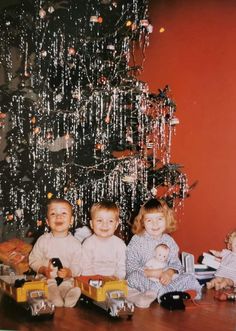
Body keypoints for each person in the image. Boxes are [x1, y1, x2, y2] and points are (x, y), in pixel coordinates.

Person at [126, 198, 202, 308]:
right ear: (142, 222)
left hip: (166, 279)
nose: (155, 224)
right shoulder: (137, 240)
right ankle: (164, 293)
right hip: (145, 278)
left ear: (166, 219)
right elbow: (131, 267)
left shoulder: (168, 240)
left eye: (159, 219)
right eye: (149, 220)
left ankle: (163, 292)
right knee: (133, 278)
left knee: (189, 277)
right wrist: (152, 273)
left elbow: (176, 264)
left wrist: (169, 273)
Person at [29, 198, 82, 307]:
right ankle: (54, 297)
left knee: (68, 284)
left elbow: (79, 265)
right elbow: (33, 259)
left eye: (63, 213)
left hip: (66, 279)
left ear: (71, 220)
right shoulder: (43, 240)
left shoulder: (75, 244)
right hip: (46, 278)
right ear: (48, 221)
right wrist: (42, 269)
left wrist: (69, 271)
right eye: (53, 213)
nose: (59, 216)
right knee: (49, 285)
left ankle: (68, 295)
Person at [81, 200, 126, 279]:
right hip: (92, 280)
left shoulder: (120, 244)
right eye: (99, 220)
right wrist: (95, 279)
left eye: (110, 221)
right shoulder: (88, 243)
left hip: (114, 281)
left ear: (116, 225)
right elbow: (85, 267)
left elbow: (123, 266)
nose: (105, 224)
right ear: (91, 224)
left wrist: (117, 277)